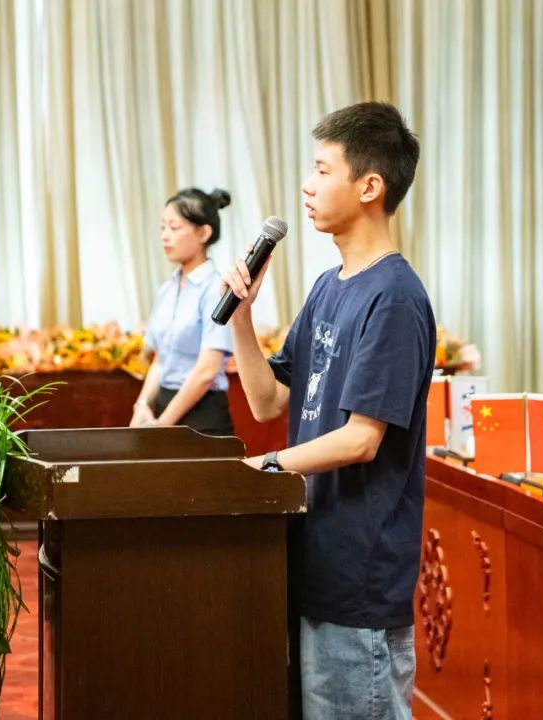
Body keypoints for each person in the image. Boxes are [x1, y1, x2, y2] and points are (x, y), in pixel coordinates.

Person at [220, 102, 434, 719]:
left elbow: (361, 439)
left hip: (358, 576)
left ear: (369, 187)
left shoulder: (394, 297)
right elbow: (269, 399)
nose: (307, 186)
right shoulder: (328, 286)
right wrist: (242, 319)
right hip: (313, 560)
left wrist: (264, 466)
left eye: (321, 170)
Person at [131, 188, 235, 436]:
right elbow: (160, 359)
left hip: (203, 417)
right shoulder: (166, 289)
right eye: (163, 228)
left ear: (204, 233)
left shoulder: (217, 289)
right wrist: (142, 406)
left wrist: (163, 425)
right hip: (163, 407)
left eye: (174, 228)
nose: (165, 236)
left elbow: (207, 371)